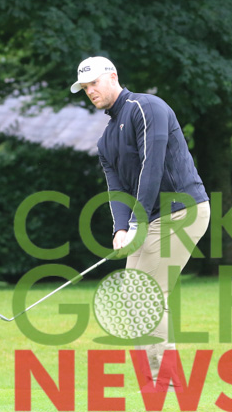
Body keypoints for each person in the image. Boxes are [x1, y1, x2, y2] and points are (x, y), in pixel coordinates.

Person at [70, 56, 210, 389]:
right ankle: (157, 377)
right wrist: (120, 228)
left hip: (181, 210)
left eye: (94, 83)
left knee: (145, 293)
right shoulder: (106, 140)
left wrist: (136, 222)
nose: (90, 91)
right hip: (150, 219)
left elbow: (152, 165)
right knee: (133, 295)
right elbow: (117, 189)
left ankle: (165, 380)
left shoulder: (146, 108)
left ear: (113, 76)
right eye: (85, 87)